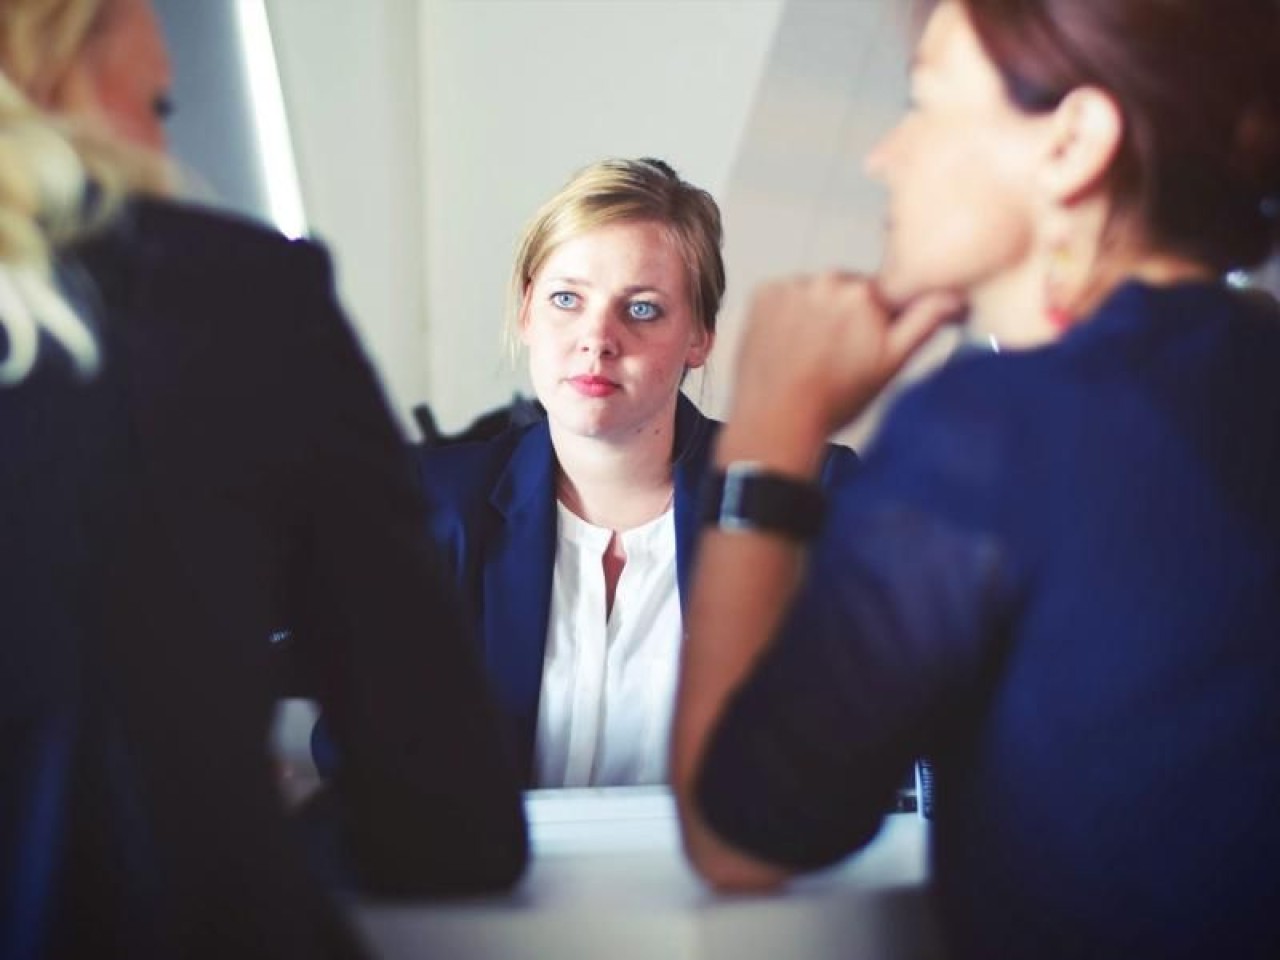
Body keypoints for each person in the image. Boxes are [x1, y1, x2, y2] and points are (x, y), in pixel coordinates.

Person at [673, 0, 1280, 957]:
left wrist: (771, 427)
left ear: (1071, 142)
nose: (886, 156)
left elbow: (739, 833)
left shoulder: (994, 430)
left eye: (926, 104)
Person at [0, 1, 526, 958]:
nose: (163, 145)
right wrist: (237, 811)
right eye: (158, 103)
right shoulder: (239, 302)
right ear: (54, 62)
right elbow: (452, 820)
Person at [413, 157, 859, 788]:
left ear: (699, 337)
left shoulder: (810, 495)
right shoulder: (432, 506)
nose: (597, 338)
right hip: (492, 885)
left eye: (643, 309)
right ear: (526, 315)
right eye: (566, 299)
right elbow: (360, 762)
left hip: (729, 885)